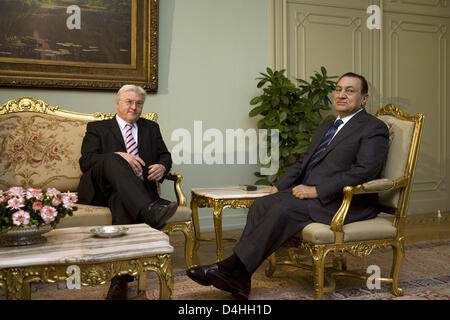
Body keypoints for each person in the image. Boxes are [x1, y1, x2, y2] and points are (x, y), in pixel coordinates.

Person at [186, 72, 390, 300]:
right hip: (311, 195)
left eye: (349, 91)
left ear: (364, 99)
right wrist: (278, 185)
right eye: (338, 89)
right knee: (262, 204)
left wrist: (317, 191)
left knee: (281, 210)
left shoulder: (373, 127)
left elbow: (364, 171)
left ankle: (230, 269)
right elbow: (304, 161)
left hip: (344, 202)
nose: (341, 95)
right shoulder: (327, 125)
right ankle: (240, 277)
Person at [78, 84, 178, 299]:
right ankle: (150, 209)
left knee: (121, 200)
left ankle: (120, 280)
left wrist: (162, 167)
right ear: (118, 103)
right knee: (114, 158)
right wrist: (118, 156)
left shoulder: (151, 128)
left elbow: (165, 155)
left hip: (130, 192)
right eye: (129, 102)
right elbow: (86, 162)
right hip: (99, 189)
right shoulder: (98, 127)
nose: (134, 107)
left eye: (139, 103)